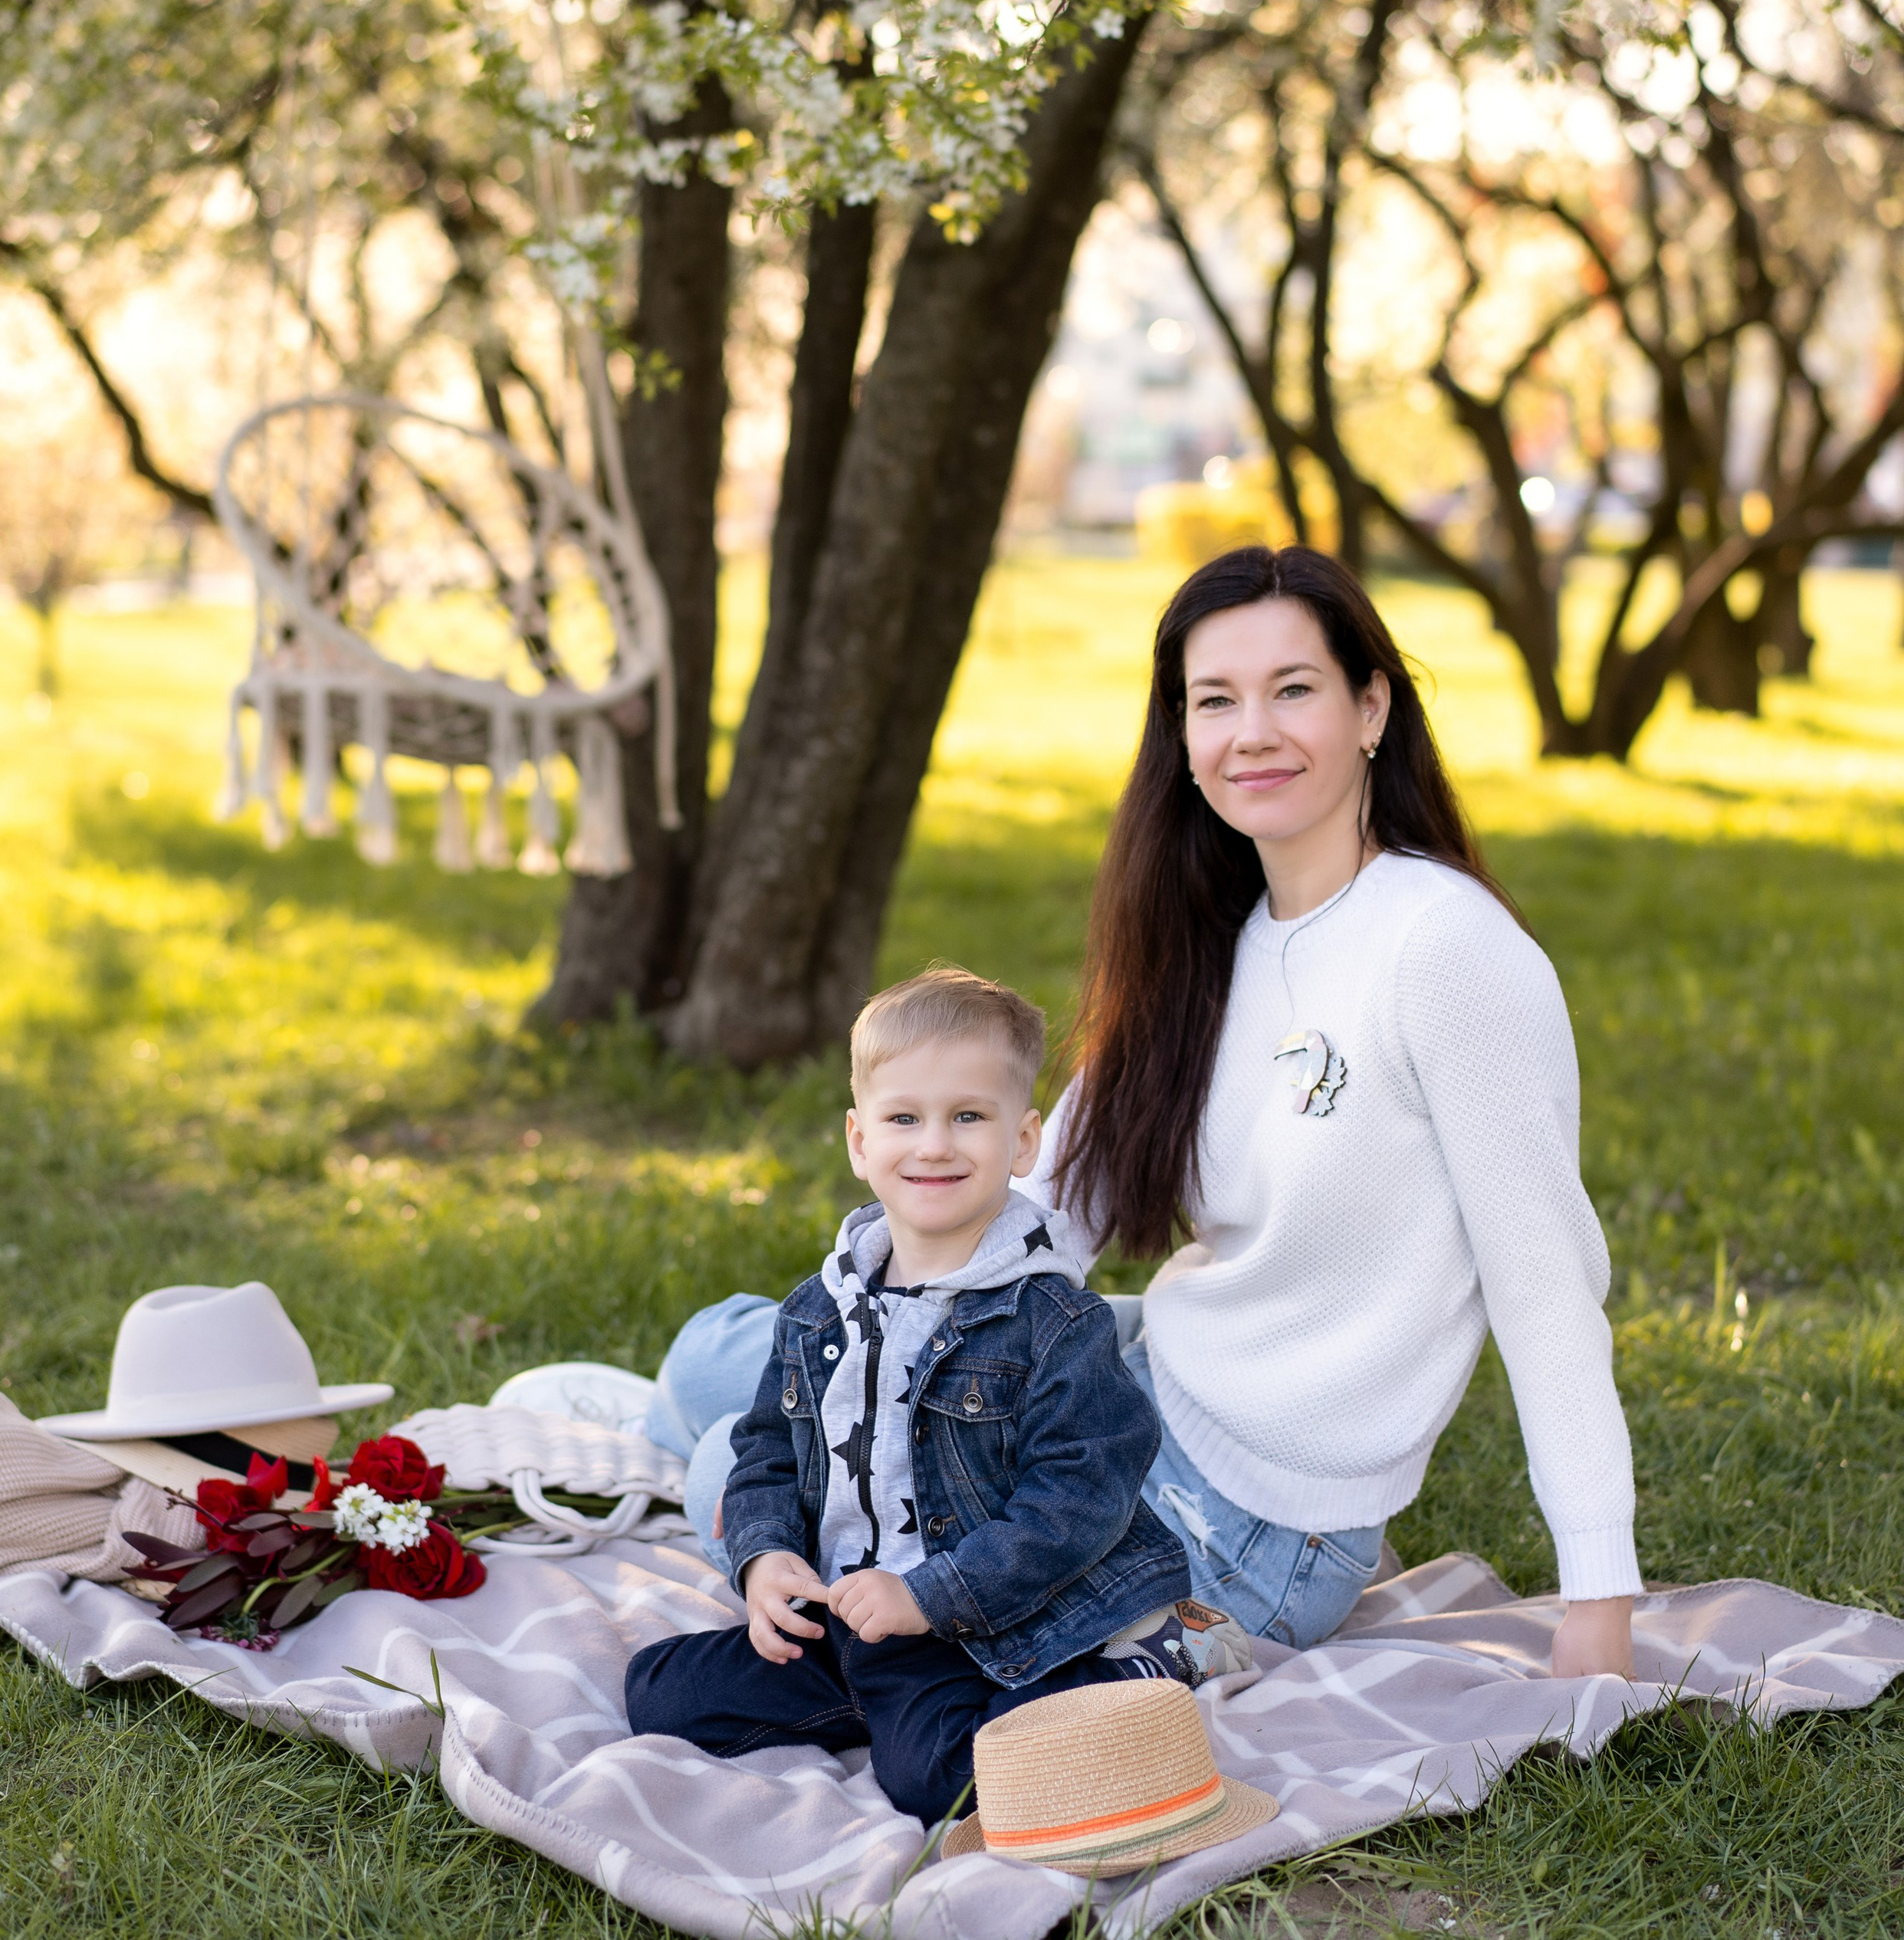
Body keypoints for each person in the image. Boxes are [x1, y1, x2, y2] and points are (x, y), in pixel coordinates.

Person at [1016, 543, 1641, 1679]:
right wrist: (892, 1334)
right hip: (1150, 1386)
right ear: (1183, 738)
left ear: (1371, 709)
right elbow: (1055, 1206)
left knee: (749, 1474)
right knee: (754, 1364)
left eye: (1293, 689)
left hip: (1260, 1526)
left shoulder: (1441, 948)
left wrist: (1597, 1599)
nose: (1252, 732)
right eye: (1216, 701)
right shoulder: (1205, 935)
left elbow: (1544, 1282)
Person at [622, 970, 1234, 1830]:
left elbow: (1077, 1503)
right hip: (848, 1613)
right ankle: (875, 1705)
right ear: (858, 1139)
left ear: (1022, 1142)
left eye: (968, 1117)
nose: (934, 1145)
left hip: (985, 1623)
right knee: (659, 1692)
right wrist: (763, 1559)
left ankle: (1142, 1665)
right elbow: (765, 1448)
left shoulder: (1052, 1319)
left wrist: (929, 1598)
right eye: (904, 1118)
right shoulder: (817, 1309)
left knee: (934, 1780)